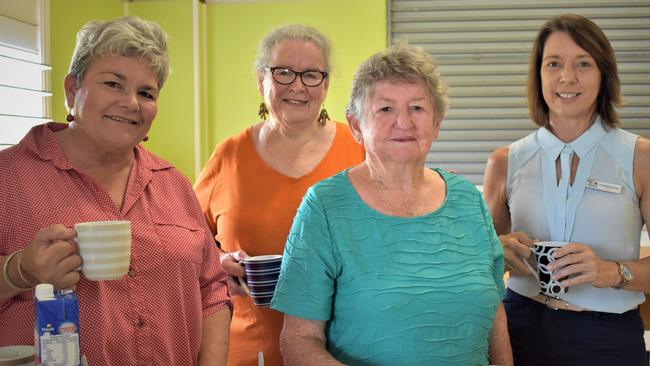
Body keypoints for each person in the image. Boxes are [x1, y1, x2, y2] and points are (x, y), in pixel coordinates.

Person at [0, 16, 232, 365]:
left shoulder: (173, 182)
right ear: (70, 90)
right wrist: (20, 271)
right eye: (113, 83)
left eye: (146, 93)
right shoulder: (9, 177)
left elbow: (212, 291)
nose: (131, 103)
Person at [270, 43, 513, 366]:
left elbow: (494, 314)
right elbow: (299, 339)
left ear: (436, 123)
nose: (404, 122)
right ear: (356, 125)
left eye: (417, 108)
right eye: (385, 109)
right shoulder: (324, 207)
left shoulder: (468, 200)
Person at [483, 13, 650, 366]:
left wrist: (610, 272)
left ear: (604, 73)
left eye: (584, 63)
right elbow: (478, 262)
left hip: (607, 339)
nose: (567, 77)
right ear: (538, 74)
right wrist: (500, 248)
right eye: (553, 63)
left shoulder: (641, 158)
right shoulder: (505, 161)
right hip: (518, 329)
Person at [194, 24, 364, 365]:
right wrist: (219, 264)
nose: (297, 86)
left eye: (311, 75)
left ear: (326, 84)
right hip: (247, 350)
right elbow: (189, 244)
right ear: (262, 81)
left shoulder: (360, 150)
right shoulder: (229, 155)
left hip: (345, 351)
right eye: (283, 72)